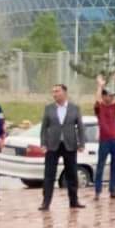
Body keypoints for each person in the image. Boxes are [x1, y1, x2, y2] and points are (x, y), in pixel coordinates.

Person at [38, 83, 87, 212]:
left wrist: (81, 144)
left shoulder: (74, 108)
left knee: (72, 174)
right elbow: (44, 128)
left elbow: (80, 127)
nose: (54, 94)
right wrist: (43, 144)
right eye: (53, 92)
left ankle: (74, 201)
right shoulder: (49, 108)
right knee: (49, 175)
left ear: (64, 93)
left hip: (69, 145)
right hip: (52, 145)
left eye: (57, 91)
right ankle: (45, 202)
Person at [91, 73, 115, 199]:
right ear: (104, 96)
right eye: (110, 95)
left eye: (113, 95)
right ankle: (97, 192)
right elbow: (97, 99)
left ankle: (112, 190)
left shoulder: (114, 106)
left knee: (114, 166)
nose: (112, 97)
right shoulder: (99, 107)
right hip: (104, 141)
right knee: (100, 166)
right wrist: (100, 85)